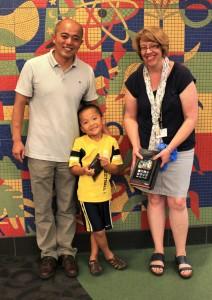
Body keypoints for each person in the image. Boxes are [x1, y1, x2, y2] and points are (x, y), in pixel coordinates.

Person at [11, 18, 98, 279]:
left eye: (75, 38)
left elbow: (92, 112)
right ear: (54, 36)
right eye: (64, 36)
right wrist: (17, 139)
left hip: (72, 155)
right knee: (42, 208)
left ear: (81, 42)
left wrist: (95, 147)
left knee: (67, 207)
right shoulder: (33, 67)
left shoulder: (86, 72)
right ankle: (48, 254)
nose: (69, 42)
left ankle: (66, 253)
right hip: (38, 152)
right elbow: (18, 105)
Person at [124, 27, 198, 279]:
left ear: (162, 47)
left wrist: (170, 148)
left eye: (152, 46)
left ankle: (180, 253)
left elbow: (191, 118)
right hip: (147, 151)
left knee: (177, 201)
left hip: (178, 149)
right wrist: (135, 146)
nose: (147, 52)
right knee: (154, 199)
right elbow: (130, 117)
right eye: (143, 47)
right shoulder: (136, 78)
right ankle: (158, 251)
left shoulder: (181, 75)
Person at [69, 103, 127, 275]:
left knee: (97, 228)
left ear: (102, 120)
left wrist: (108, 165)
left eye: (94, 118)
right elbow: (72, 167)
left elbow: (117, 169)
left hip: (104, 194)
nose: (91, 124)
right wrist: (84, 170)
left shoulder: (111, 142)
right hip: (87, 196)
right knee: (99, 230)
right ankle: (109, 255)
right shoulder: (79, 142)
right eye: (85, 122)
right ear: (81, 127)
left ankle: (93, 258)